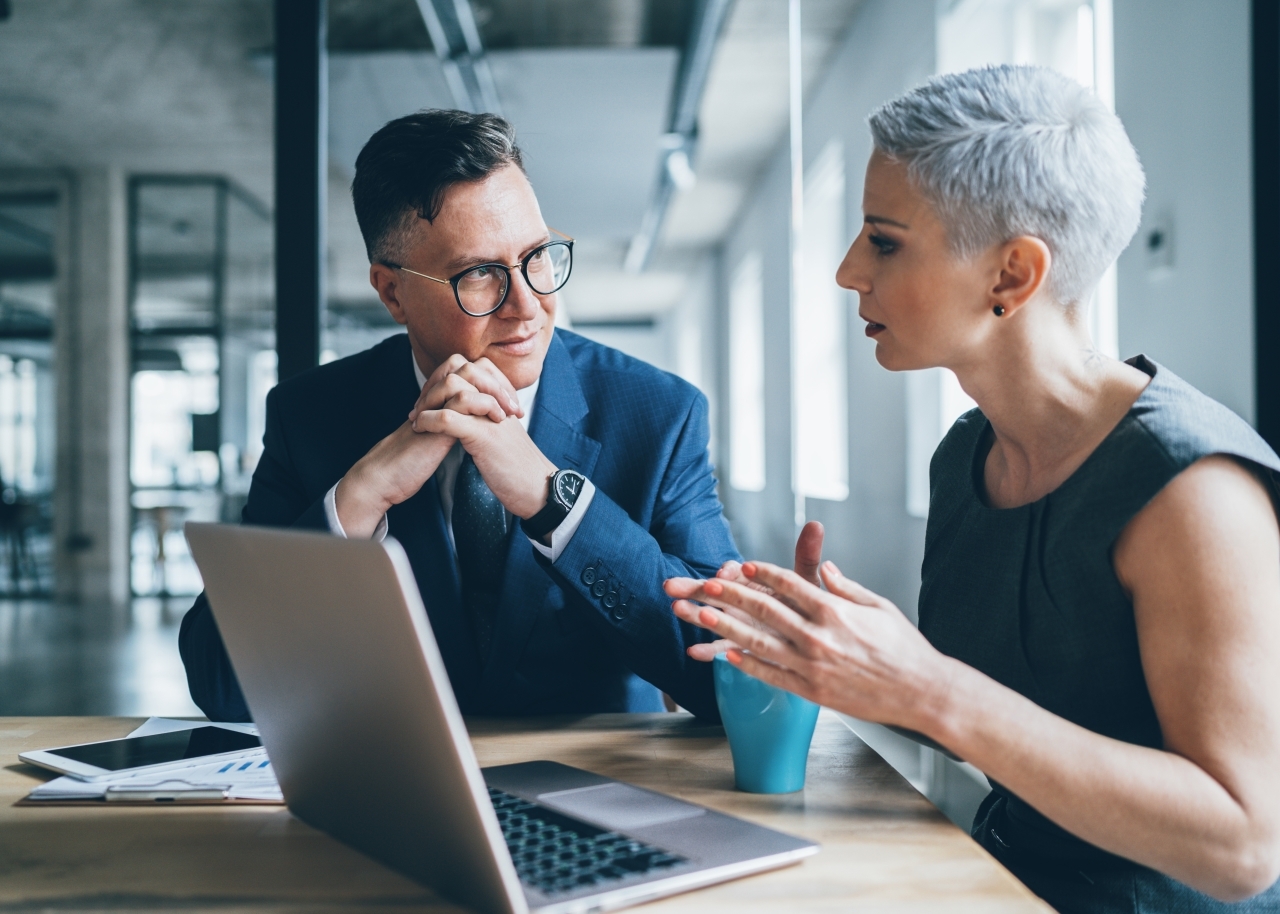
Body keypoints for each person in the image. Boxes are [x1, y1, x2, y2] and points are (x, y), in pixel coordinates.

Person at [666, 65, 1280, 912]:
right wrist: (833, 650)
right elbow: (998, 728)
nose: (849, 271)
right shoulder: (966, 457)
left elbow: (1245, 847)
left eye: (883, 241)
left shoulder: (1194, 493)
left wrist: (927, 686)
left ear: (1011, 276)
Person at [180, 109, 739, 722]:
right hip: (398, 791)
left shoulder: (660, 415)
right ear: (392, 293)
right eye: (479, 275)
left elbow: (726, 674)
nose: (529, 306)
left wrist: (558, 504)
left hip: (600, 788)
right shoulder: (310, 417)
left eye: (538, 255)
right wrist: (360, 498)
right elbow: (222, 685)